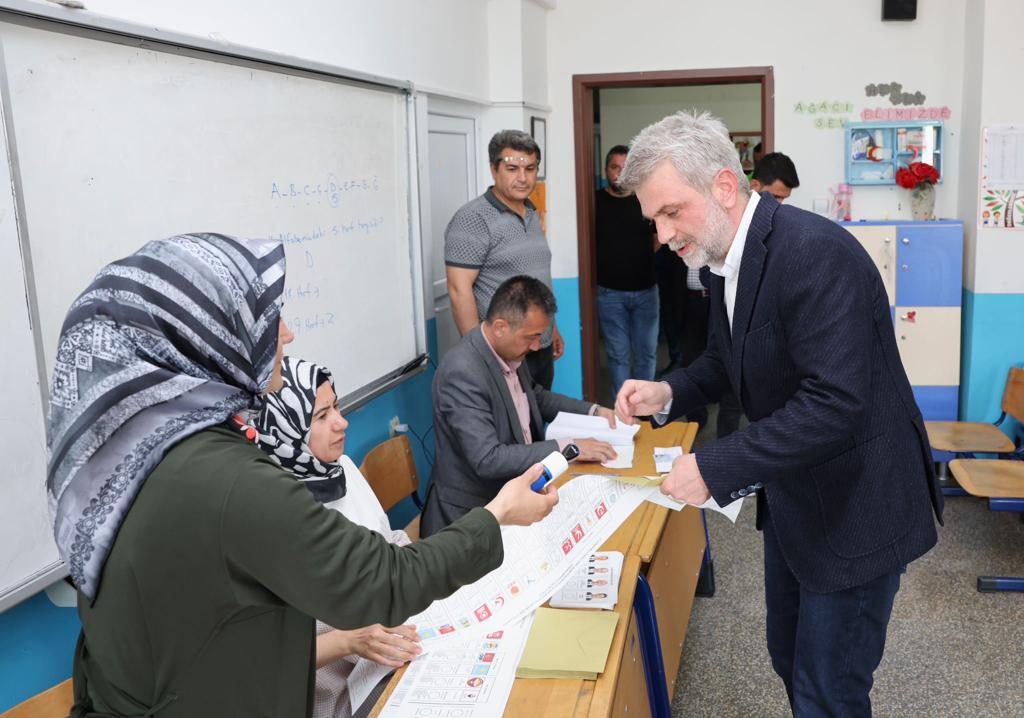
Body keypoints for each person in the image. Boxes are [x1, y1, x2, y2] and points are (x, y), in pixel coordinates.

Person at [48, 233, 558, 717]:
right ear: (206, 339)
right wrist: (499, 513)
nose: (287, 334)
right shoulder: (226, 479)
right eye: (265, 322)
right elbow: (383, 580)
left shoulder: (128, 457)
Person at [613, 112, 943, 715]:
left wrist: (715, 464)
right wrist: (669, 393)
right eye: (652, 220)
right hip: (799, 501)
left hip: (856, 510)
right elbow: (727, 358)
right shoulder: (722, 260)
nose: (662, 237)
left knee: (830, 688)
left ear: (721, 186)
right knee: (788, 658)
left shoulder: (815, 255)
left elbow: (836, 402)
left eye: (670, 212)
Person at [255, 356, 414, 718]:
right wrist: (349, 641)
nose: (342, 423)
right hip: (337, 690)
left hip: (387, 648)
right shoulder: (268, 510)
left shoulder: (340, 469)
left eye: (337, 406)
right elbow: (268, 652)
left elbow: (388, 539)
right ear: (285, 428)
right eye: (321, 417)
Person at [422, 275, 618, 537]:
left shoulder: (508, 349)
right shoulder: (463, 372)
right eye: (532, 337)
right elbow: (487, 458)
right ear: (501, 327)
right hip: (474, 515)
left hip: (517, 494)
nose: (537, 346)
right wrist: (568, 449)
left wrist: (595, 412)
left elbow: (533, 397)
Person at [445, 129, 562, 389]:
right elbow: (458, 290)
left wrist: (550, 328)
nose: (523, 178)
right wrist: (482, 358)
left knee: (536, 424)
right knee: (510, 428)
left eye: (530, 169)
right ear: (493, 169)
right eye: (512, 169)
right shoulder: (473, 219)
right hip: (504, 355)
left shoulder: (531, 212)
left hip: (538, 347)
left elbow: (535, 275)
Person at [595, 144, 659, 397]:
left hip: (646, 292)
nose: (619, 173)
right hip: (609, 294)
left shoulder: (646, 200)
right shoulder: (595, 202)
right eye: (614, 167)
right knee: (618, 355)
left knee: (647, 353)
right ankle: (624, 413)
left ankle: (645, 407)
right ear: (606, 170)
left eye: (625, 168)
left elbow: (658, 239)